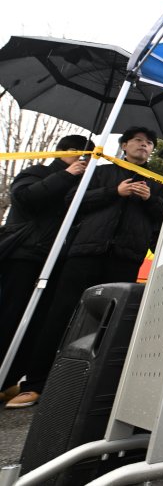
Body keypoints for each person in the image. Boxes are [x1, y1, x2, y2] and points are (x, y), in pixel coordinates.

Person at [6, 127, 163, 408]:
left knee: (110, 324)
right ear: (124, 145)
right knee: (59, 317)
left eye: (149, 143)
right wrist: (114, 192)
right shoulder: (101, 172)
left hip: (126, 258)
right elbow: (73, 202)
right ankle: (35, 383)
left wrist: (149, 199)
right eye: (139, 141)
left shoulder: (157, 183)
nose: (144, 146)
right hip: (84, 253)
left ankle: (92, 384)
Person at [0, 134, 95, 402]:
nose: (83, 160)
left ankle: (11, 378)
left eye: (88, 157)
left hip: (57, 260)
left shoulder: (82, 185)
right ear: (63, 152)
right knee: (10, 314)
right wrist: (66, 174)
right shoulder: (38, 172)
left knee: (39, 322)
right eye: (79, 153)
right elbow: (25, 199)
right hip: (26, 255)